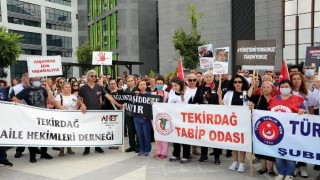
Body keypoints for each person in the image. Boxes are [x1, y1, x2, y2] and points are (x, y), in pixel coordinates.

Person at [79, 70, 123, 156]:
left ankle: (97, 147)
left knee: (97, 130)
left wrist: (117, 104)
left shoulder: (99, 87)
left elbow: (108, 96)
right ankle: (87, 148)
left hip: (97, 113)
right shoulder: (83, 88)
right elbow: (79, 98)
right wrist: (82, 104)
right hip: (87, 113)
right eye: (92, 76)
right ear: (88, 77)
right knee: (88, 131)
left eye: (95, 76)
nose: (94, 78)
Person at [268, 79, 305, 180]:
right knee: (278, 152)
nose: (284, 88)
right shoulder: (274, 99)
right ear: (279, 88)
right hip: (277, 132)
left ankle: (289, 173)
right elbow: (268, 113)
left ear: (291, 88)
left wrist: (302, 111)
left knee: (290, 153)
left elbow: (305, 114)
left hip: (291, 132)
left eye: (286, 86)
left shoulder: (298, 99)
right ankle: (281, 172)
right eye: (282, 87)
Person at [12, 77, 55, 163]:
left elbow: (52, 100)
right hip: (31, 117)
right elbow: (14, 99)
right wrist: (23, 108)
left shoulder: (43, 89)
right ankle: (32, 155)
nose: (37, 81)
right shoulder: (26, 90)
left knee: (44, 135)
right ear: (31, 81)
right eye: (35, 80)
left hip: (43, 116)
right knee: (32, 136)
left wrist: (49, 90)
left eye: (38, 80)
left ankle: (44, 153)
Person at [221, 75, 250, 172]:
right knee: (234, 142)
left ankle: (242, 163)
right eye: (235, 82)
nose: (237, 84)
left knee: (242, 142)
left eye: (240, 82)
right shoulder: (229, 93)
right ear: (232, 83)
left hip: (243, 122)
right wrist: (219, 95)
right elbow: (222, 105)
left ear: (243, 83)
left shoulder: (247, 93)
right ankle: (235, 161)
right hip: (232, 122)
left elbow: (251, 105)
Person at [247, 80, 276, 176]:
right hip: (261, 127)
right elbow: (249, 96)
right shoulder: (259, 98)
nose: (266, 89)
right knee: (262, 147)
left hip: (273, 127)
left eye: (268, 87)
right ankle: (263, 168)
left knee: (272, 148)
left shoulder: (276, 99)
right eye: (264, 87)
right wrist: (252, 85)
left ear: (272, 89)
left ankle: (271, 169)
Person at [193, 71, 222, 165]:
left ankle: (217, 156)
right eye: (207, 77)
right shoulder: (200, 88)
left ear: (213, 78)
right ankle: (204, 155)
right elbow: (196, 99)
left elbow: (221, 101)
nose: (209, 78)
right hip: (203, 116)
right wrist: (197, 104)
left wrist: (220, 95)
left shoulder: (217, 87)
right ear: (204, 78)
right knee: (203, 135)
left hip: (214, 116)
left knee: (215, 136)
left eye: (210, 77)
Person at [168, 77, 191, 164]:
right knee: (175, 136)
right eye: (172, 85)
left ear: (180, 84)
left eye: (176, 85)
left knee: (185, 137)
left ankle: (186, 155)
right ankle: (176, 154)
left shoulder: (187, 93)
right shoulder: (171, 92)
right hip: (174, 118)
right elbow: (169, 103)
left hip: (185, 119)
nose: (174, 87)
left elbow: (190, 105)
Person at [54, 82, 81, 156]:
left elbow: (78, 105)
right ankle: (61, 149)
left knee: (70, 133)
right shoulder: (59, 96)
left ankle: (69, 148)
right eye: (66, 87)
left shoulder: (74, 97)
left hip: (71, 118)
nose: (68, 88)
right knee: (62, 134)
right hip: (62, 118)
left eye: (69, 87)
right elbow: (58, 106)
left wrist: (74, 109)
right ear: (62, 89)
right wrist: (68, 111)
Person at [133, 80, 152, 156]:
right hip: (137, 118)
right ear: (138, 86)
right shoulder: (136, 95)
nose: (142, 86)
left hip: (146, 118)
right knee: (139, 134)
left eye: (144, 84)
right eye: (141, 84)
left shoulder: (150, 94)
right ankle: (142, 148)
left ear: (146, 86)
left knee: (146, 134)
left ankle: (147, 149)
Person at [152, 76, 169, 158]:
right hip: (154, 117)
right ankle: (158, 150)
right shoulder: (152, 94)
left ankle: (164, 152)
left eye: (161, 83)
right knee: (157, 134)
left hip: (164, 117)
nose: (159, 85)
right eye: (158, 83)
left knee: (164, 134)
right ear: (155, 84)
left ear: (163, 84)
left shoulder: (166, 94)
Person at [124, 75, 140, 153]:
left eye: (132, 80)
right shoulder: (126, 90)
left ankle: (138, 146)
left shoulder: (138, 89)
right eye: (128, 81)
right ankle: (132, 146)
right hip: (128, 112)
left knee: (137, 130)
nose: (130, 82)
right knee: (130, 130)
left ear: (135, 81)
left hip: (136, 112)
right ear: (126, 82)